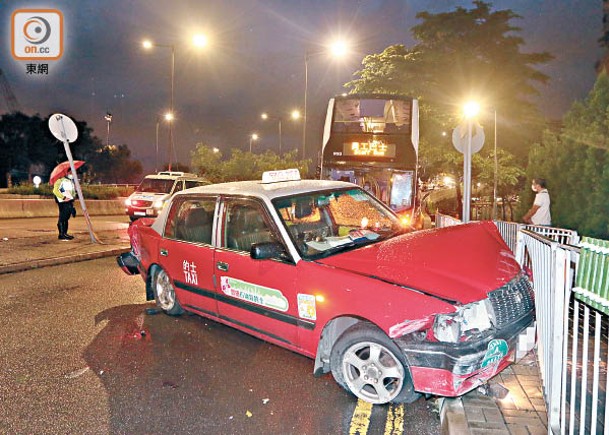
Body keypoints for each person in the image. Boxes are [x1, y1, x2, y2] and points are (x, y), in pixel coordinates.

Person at [53, 173, 77, 240]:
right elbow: (55, 191)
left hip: (69, 201)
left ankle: (65, 233)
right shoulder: (60, 181)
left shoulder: (70, 181)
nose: (71, 174)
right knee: (62, 217)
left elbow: (71, 193)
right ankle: (61, 234)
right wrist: (63, 198)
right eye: (70, 172)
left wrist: (75, 192)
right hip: (62, 202)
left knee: (66, 217)